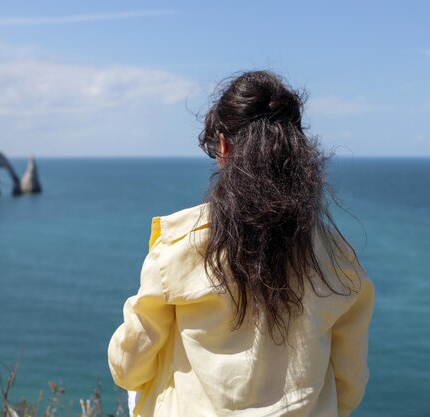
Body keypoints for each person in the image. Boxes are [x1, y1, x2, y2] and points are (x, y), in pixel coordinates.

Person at [107, 70, 375, 417]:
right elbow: (350, 383)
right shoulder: (339, 259)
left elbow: (128, 365)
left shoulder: (181, 246)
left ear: (222, 145)